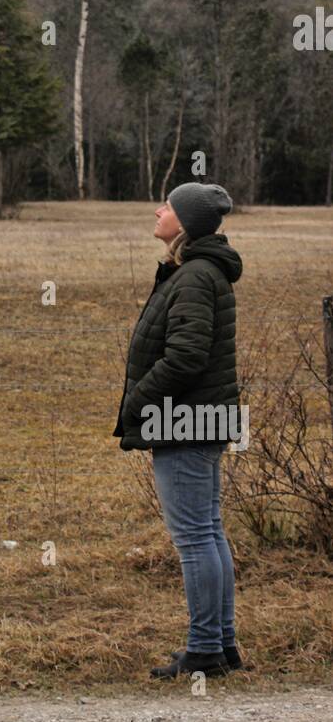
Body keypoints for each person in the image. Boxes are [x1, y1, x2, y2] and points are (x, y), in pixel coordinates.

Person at [113, 182, 244, 679]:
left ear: (185, 222)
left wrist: (140, 399)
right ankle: (222, 644)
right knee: (208, 532)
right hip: (200, 417)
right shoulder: (197, 271)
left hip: (185, 420)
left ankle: (206, 649)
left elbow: (186, 356)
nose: (158, 209)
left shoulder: (193, 276)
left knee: (194, 538)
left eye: (168, 205)